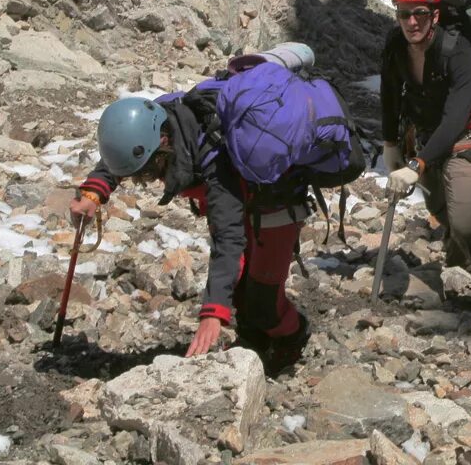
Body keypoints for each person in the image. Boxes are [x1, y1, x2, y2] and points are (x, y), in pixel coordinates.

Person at [70, 91, 312, 373]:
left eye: (149, 171)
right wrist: (93, 193)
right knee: (242, 289)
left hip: (276, 202)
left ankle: (293, 337)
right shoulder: (156, 121)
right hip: (240, 197)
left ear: (163, 143)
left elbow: (228, 239)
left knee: (263, 304)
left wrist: (213, 313)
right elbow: (124, 154)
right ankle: (253, 342)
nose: (148, 178)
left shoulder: (211, 158)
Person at [379, 0, 471, 319]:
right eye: (404, 13)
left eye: (420, 13)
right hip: (421, 138)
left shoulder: (461, 52)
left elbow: (455, 117)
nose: (411, 21)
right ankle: (458, 261)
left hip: (459, 140)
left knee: (465, 220)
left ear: (435, 15)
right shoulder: (395, 46)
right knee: (441, 209)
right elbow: (390, 94)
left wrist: (416, 165)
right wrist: (390, 143)